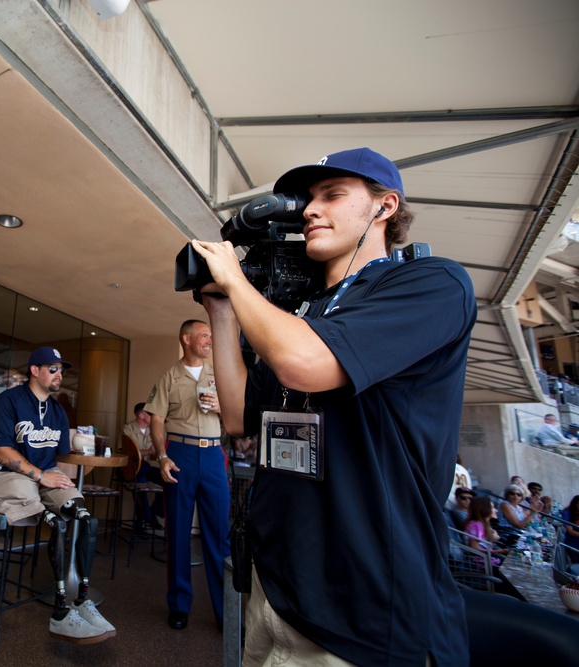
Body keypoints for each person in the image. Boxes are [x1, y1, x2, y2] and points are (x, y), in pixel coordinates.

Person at [192, 148, 474, 665]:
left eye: (332, 195)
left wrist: (235, 277)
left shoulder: (431, 283)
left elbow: (305, 364)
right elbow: (236, 417)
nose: (309, 210)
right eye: (307, 199)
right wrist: (222, 308)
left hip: (361, 608)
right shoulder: (299, 316)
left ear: (385, 207)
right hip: (276, 586)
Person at [0, 347, 115, 643]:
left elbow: (64, 454)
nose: (59, 374)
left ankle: (82, 598)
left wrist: (82, 451)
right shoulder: (9, 400)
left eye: (61, 370)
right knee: (57, 522)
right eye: (52, 368)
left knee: (84, 518)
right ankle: (61, 612)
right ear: (35, 370)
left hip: (42, 478)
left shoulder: (57, 411)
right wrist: (42, 476)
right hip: (3, 476)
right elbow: (1, 451)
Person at [144, 319, 229, 631]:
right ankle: (179, 606)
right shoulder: (169, 377)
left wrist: (223, 405)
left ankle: (226, 613)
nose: (209, 340)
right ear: (187, 339)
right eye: (204, 335)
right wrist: (162, 456)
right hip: (179, 454)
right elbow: (156, 419)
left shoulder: (219, 375)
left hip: (213, 454)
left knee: (219, 535)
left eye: (210, 335)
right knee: (178, 533)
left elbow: (236, 414)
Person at [121, 401, 164, 531]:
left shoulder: (154, 430)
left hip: (148, 465)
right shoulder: (128, 429)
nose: (153, 416)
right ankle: (144, 519)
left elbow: (155, 452)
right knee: (140, 481)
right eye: (149, 413)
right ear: (141, 415)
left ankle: (152, 513)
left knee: (168, 479)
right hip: (132, 467)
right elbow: (129, 452)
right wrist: (148, 451)